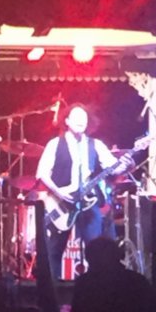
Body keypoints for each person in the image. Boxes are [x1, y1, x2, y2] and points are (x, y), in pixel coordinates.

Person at [35, 103, 132, 280]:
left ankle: (97, 291)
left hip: (88, 203)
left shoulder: (96, 145)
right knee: (53, 253)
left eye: (84, 118)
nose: (81, 121)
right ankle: (51, 291)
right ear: (67, 121)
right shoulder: (55, 144)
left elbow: (113, 167)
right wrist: (60, 193)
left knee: (97, 252)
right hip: (61, 203)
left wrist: (125, 164)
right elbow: (42, 173)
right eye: (77, 117)